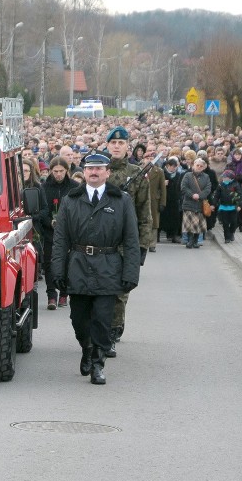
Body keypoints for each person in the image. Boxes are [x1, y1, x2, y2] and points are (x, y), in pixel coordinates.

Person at [50, 153, 140, 385]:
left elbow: (131, 240)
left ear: (107, 172)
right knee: (78, 319)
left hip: (108, 267)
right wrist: (57, 271)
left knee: (102, 319)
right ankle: (87, 348)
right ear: (84, 172)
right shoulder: (72, 200)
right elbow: (60, 240)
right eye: (90, 168)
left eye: (99, 168)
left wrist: (131, 273)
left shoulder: (121, 200)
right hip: (78, 265)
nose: (94, 172)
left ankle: (98, 363)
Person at [103, 126, 152, 355]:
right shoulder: (97, 170)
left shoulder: (138, 174)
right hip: (100, 241)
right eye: (113, 142)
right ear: (107, 145)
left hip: (125, 242)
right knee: (100, 290)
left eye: (121, 143)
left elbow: (144, 214)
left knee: (119, 293)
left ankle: (112, 333)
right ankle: (102, 331)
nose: (116, 146)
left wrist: (142, 245)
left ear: (127, 147)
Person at [38, 157, 79, 309]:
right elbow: (42, 210)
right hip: (50, 232)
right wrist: (50, 222)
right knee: (49, 263)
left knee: (67, 262)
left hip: (70, 233)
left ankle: (63, 293)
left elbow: (79, 210)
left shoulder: (75, 187)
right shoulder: (44, 187)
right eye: (55, 172)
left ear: (67, 171)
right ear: (50, 171)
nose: (59, 175)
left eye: (61, 171)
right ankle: (51, 295)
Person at [180, 158, 212, 248]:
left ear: (203, 168)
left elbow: (208, 189)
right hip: (189, 203)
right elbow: (183, 187)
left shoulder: (206, 177)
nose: (199, 167)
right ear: (193, 165)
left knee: (198, 225)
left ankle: (195, 241)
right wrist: (192, 195)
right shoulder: (187, 175)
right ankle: (190, 241)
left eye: (201, 166)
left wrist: (200, 196)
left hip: (200, 204)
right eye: (197, 165)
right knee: (189, 224)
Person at [213, 169, 242, 243]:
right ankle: (227, 237)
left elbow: (239, 196)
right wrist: (214, 204)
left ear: (231, 178)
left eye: (226, 177)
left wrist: (239, 205)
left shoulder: (235, 185)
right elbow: (216, 196)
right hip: (223, 207)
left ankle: (231, 232)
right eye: (223, 177)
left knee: (234, 222)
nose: (224, 179)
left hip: (233, 207)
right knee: (225, 223)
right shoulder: (220, 185)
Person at [159, 157, 182, 243]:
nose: (174, 168)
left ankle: (173, 235)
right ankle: (157, 236)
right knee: (161, 217)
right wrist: (163, 184)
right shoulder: (162, 173)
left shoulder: (178, 174)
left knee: (175, 218)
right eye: (172, 166)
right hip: (164, 198)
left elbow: (180, 186)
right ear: (168, 166)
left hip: (174, 199)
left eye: (175, 167)